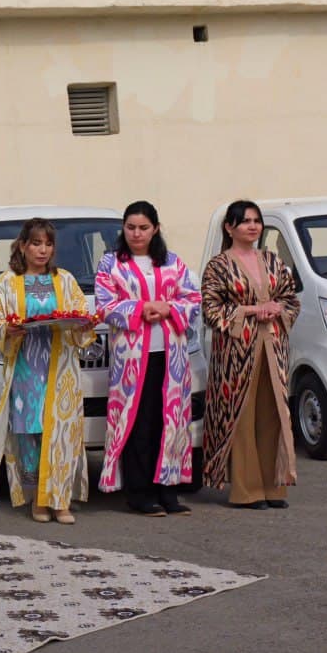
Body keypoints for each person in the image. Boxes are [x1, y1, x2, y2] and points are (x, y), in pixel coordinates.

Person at [0, 219, 95, 523]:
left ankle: (60, 502)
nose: (42, 250)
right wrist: (9, 330)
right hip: (25, 371)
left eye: (48, 244)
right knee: (29, 435)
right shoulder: (4, 284)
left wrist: (83, 326)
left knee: (60, 433)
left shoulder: (66, 281)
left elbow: (79, 322)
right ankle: (37, 499)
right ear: (22, 246)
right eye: (36, 243)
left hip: (61, 372)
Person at [95, 201, 201, 517]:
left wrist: (168, 308)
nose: (137, 234)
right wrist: (141, 309)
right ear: (123, 229)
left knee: (170, 422)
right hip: (131, 360)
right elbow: (104, 304)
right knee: (137, 424)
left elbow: (192, 298)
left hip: (171, 358)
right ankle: (139, 493)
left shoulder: (172, 263)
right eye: (131, 227)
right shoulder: (110, 264)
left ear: (155, 228)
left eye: (143, 228)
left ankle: (168, 491)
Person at [201, 200, 300, 508]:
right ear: (230, 227)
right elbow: (210, 309)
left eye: (256, 220)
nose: (253, 226)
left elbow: (290, 299)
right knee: (240, 417)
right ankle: (247, 491)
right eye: (245, 221)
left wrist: (277, 308)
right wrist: (250, 310)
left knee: (273, 416)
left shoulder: (272, 260)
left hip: (272, 347)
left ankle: (274, 489)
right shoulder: (218, 265)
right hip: (235, 353)